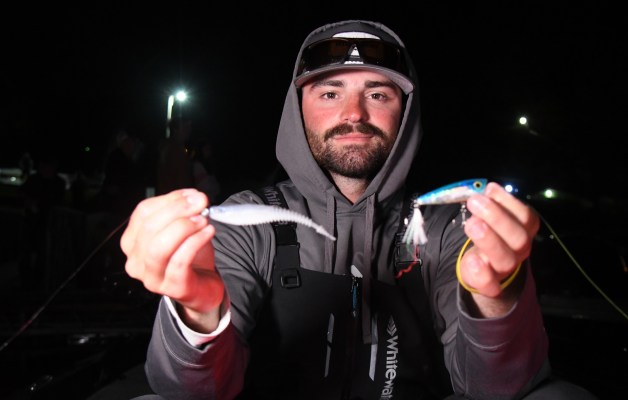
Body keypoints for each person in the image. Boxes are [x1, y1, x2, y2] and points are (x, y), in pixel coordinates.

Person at [121, 20, 597, 399]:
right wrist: (197, 313)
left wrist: (495, 299)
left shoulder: (451, 227)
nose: (354, 113)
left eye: (377, 94)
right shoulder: (247, 222)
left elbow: (498, 389)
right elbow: (190, 391)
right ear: (298, 109)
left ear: (405, 114)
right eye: (330, 93)